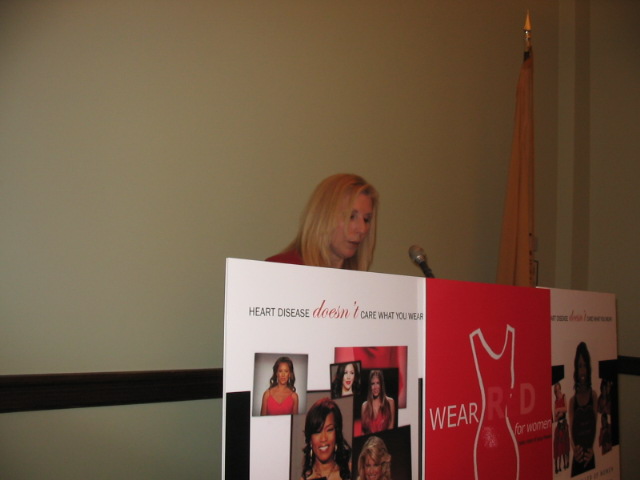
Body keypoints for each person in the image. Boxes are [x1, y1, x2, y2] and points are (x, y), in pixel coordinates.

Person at [266, 174, 378, 270]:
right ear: (323, 217)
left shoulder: (360, 284)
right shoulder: (281, 270)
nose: (362, 229)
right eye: (351, 216)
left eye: (366, 219)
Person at [301, 397, 352, 480]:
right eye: (317, 432)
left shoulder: (353, 472)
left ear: (337, 433)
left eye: (329, 430)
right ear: (310, 439)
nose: (324, 438)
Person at [569, 342, 597, 476]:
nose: (582, 371)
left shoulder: (594, 396)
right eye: (580, 366)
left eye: (585, 366)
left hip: (591, 459)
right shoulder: (572, 402)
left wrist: (592, 450)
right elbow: (570, 433)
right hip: (577, 461)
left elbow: (595, 427)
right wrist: (575, 450)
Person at [361, 370, 395, 435]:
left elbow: (391, 429)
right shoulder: (364, 406)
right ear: (370, 386)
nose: (375, 387)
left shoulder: (390, 402)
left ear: (381, 385)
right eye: (372, 384)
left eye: (378, 383)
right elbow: (363, 432)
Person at [553, 382, 570, 473]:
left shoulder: (564, 396)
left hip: (564, 423)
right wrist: (558, 414)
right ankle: (559, 467)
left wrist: (559, 410)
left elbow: (566, 409)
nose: (557, 390)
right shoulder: (555, 401)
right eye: (556, 389)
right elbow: (555, 418)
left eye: (558, 388)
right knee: (559, 446)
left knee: (566, 445)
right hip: (559, 424)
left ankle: (566, 463)